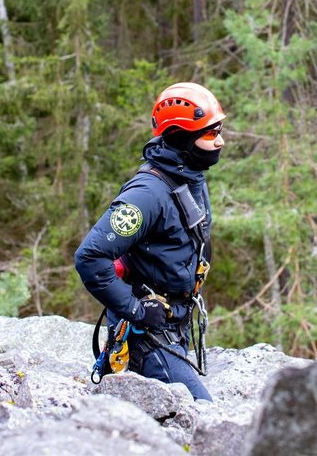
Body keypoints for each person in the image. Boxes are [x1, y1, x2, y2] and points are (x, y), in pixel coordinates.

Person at [74, 82, 226, 401]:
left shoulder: (189, 174)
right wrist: (136, 309)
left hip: (175, 326)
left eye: (219, 130)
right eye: (210, 134)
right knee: (203, 413)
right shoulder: (147, 195)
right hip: (146, 339)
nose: (220, 141)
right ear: (180, 137)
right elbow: (90, 257)